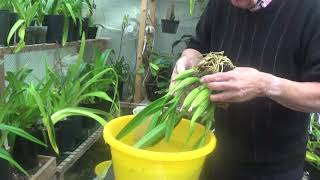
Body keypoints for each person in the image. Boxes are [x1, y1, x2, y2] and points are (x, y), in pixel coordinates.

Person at [171, 0, 320, 179]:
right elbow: (199, 44)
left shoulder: (311, 9)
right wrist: (188, 59)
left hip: (276, 169)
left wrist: (265, 85)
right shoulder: (220, 4)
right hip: (218, 155)